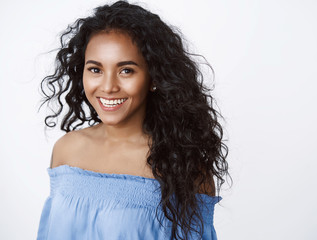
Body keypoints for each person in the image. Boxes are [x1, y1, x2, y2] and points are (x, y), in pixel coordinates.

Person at [36, 1, 230, 239]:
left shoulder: (184, 168)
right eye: (95, 69)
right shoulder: (66, 150)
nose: (108, 87)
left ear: (154, 77)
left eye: (126, 70)